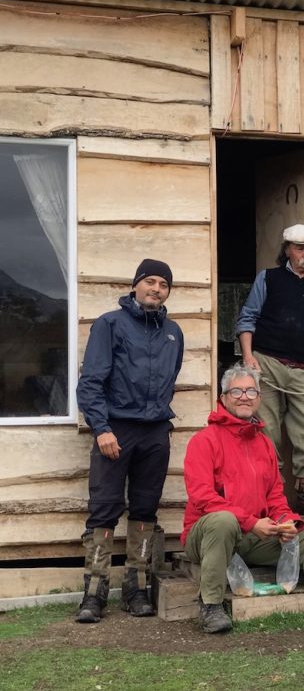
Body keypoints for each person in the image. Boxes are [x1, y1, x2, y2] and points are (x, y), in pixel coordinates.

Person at [182, 363, 304, 634]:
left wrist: (287, 522)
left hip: (252, 537)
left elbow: (276, 496)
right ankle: (211, 606)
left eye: (251, 391)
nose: (245, 396)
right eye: (237, 391)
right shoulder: (204, 441)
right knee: (222, 520)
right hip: (208, 538)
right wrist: (252, 522)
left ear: (259, 399)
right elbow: (202, 497)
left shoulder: (264, 443)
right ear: (223, 398)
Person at [75, 259, 184, 623]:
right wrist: (102, 428)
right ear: (135, 285)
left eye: (163, 284)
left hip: (155, 432)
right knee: (104, 508)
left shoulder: (173, 333)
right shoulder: (110, 324)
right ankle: (94, 592)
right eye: (149, 281)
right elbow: (91, 381)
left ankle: (136, 589)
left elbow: (170, 377)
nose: (156, 288)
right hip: (116, 429)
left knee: (144, 509)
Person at [237, 224, 304, 519]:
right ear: (287, 251)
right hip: (265, 362)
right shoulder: (267, 279)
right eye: (300, 248)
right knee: (266, 431)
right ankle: (273, 497)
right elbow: (248, 318)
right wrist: (248, 356)